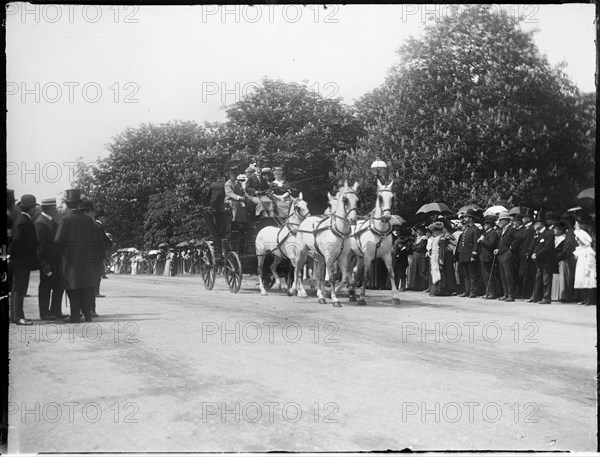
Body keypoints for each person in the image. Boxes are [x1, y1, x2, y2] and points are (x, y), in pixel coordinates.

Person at [55, 196, 103, 322]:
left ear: (67, 205)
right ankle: (87, 315)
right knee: (86, 288)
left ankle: (75, 315)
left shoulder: (64, 220)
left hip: (70, 261)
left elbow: (58, 240)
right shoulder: (89, 220)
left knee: (73, 288)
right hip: (87, 259)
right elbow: (96, 240)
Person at [9, 194, 39, 325]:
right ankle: (18, 317)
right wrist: (14, 255)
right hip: (22, 261)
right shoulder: (25, 221)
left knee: (16, 289)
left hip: (19, 260)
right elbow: (17, 241)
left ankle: (14, 316)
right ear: (31, 209)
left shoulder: (20, 220)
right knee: (20, 289)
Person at [35, 198, 65, 320]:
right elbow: (39, 246)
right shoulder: (41, 223)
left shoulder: (51, 221)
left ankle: (56, 311)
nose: (56, 209)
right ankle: (45, 313)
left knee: (58, 287)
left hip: (56, 261)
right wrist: (43, 263)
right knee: (45, 288)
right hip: (48, 262)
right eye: (55, 207)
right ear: (49, 208)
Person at [527, 218, 558, 304]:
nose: (534, 226)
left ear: (541, 224)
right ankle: (535, 297)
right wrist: (533, 254)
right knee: (538, 279)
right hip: (540, 260)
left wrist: (537, 254)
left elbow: (547, 247)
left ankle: (547, 297)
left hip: (547, 260)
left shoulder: (549, 234)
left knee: (546, 279)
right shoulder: (538, 234)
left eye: (536, 224)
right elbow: (535, 246)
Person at [456, 209, 480, 298]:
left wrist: (474, 254)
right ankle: (467, 290)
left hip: (470, 254)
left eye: (466, 217)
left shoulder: (475, 229)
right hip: (464, 254)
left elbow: (475, 243)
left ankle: (473, 291)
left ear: (471, 218)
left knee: (472, 274)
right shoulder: (466, 229)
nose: (465, 219)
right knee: (466, 275)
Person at [478, 214, 501, 299]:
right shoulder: (486, 233)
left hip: (488, 256)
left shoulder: (493, 233)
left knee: (490, 276)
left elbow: (491, 244)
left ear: (489, 224)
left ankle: (492, 292)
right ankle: (488, 292)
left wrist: (482, 240)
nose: (484, 226)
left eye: (486, 224)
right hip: (483, 256)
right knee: (485, 276)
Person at [495, 212, 517, 302]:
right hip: (502, 253)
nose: (499, 222)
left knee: (509, 275)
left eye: (501, 220)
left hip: (507, 254)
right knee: (503, 275)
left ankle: (511, 295)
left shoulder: (511, 229)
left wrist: (511, 248)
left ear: (505, 221)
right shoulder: (503, 230)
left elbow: (518, 238)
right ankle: (506, 294)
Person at [552, 221, 576, 302]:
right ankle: (555, 296)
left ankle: (563, 296)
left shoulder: (564, 239)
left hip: (562, 260)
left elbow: (564, 251)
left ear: (561, 230)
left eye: (556, 229)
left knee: (563, 278)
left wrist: (556, 258)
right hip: (556, 260)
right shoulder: (555, 238)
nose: (554, 230)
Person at [515, 210, 536, 299]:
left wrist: (529, 251)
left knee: (527, 274)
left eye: (524, 217)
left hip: (526, 252)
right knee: (521, 274)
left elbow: (531, 241)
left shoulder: (531, 228)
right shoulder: (525, 228)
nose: (522, 219)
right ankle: (521, 292)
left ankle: (526, 293)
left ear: (528, 218)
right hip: (521, 253)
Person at [573, 229, 596, 306]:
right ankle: (584, 299)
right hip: (581, 267)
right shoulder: (580, 249)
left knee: (588, 283)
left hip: (587, 268)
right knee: (582, 282)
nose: (578, 241)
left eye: (579, 240)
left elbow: (591, 261)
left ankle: (589, 300)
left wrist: (588, 269)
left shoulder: (589, 250)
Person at [94, 208, 113, 302]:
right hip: (98, 253)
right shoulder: (99, 226)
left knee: (97, 273)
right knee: (98, 273)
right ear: (100, 217)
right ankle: (96, 291)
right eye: (104, 217)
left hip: (93, 253)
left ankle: (95, 291)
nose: (105, 219)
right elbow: (103, 240)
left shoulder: (94, 225)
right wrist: (110, 243)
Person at [391, 225, 411, 291]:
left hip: (402, 263)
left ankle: (403, 287)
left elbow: (401, 255)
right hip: (398, 261)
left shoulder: (403, 249)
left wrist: (397, 255)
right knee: (399, 274)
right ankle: (399, 286)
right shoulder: (397, 242)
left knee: (402, 275)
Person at [408, 225, 428, 291]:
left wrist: (414, 246)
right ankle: (414, 285)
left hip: (420, 255)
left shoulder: (424, 238)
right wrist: (414, 246)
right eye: (417, 231)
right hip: (415, 255)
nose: (418, 232)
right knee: (414, 269)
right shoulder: (417, 238)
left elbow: (419, 247)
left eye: (419, 230)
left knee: (421, 269)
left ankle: (422, 286)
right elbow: (413, 247)